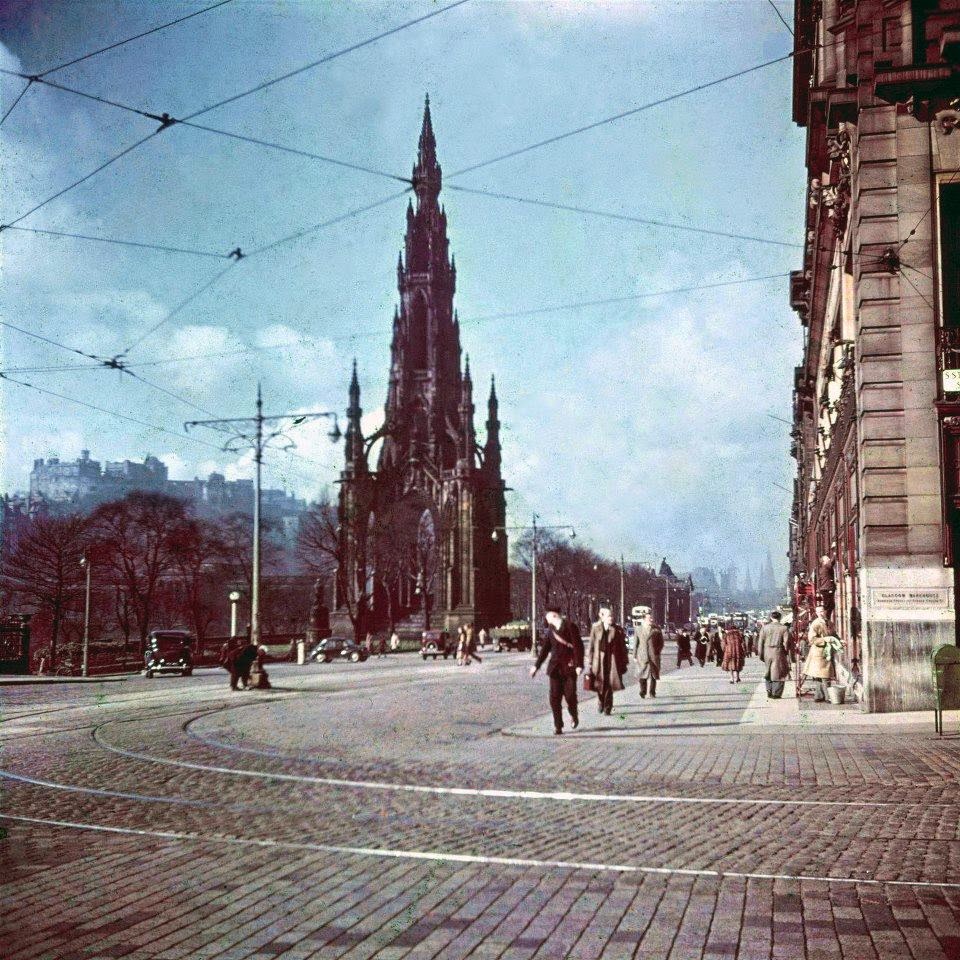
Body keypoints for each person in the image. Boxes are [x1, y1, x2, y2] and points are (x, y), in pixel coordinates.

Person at [530, 607, 584, 735]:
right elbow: (544, 650)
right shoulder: (551, 630)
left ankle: (574, 714)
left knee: (570, 696)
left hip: (569, 668)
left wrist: (579, 665)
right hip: (555, 669)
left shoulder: (570, 626)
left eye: (547, 617)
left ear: (554, 616)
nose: (546, 620)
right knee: (554, 699)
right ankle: (558, 726)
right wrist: (536, 666)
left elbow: (578, 646)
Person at [586, 606, 629, 715]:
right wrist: (590, 661)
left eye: (612, 616)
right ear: (602, 617)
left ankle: (608, 707)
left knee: (609, 684)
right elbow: (591, 645)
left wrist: (624, 662)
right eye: (609, 616)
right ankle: (601, 700)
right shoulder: (595, 628)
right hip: (599, 661)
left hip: (612, 661)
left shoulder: (618, 629)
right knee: (600, 683)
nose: (611, 618)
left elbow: (623, 647)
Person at [803, 603, 833, 702]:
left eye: (822, 611)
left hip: (826, 651)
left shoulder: (829, 622)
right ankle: (828, 697)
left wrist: (839, 641)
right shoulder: (815, 624)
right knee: (824, 675)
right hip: (818, 652)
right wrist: (825, 640)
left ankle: (819, 696)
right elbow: (812, 639)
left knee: (821, 676)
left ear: (825, 611)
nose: (820, 613)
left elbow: (833, 634)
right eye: (818, 611)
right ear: (816, 613)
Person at [758, 610, 790, 699]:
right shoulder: (784, 628)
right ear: (780, 618)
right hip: (778, 651)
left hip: (767, 651)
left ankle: (769, 689)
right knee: (779, 672)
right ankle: (776, 693)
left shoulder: (765, 628)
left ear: (771, 618)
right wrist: (786, 652)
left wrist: (761, 654)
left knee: (768, 671)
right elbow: (786, 643)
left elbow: (760, 642)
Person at [634, 612, 664, 699]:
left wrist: (657, 651)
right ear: (644, 619)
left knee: (654, 674)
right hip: (642, 655)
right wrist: (635, 656)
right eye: (649, 618)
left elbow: (661, 642)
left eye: (651, 618)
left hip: (654, 655)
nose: (651, 619)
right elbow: (636, 643)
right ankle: (643, 691)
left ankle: (652, 692)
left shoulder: (656, 629)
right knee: (642, 674)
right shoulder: (638, 629)